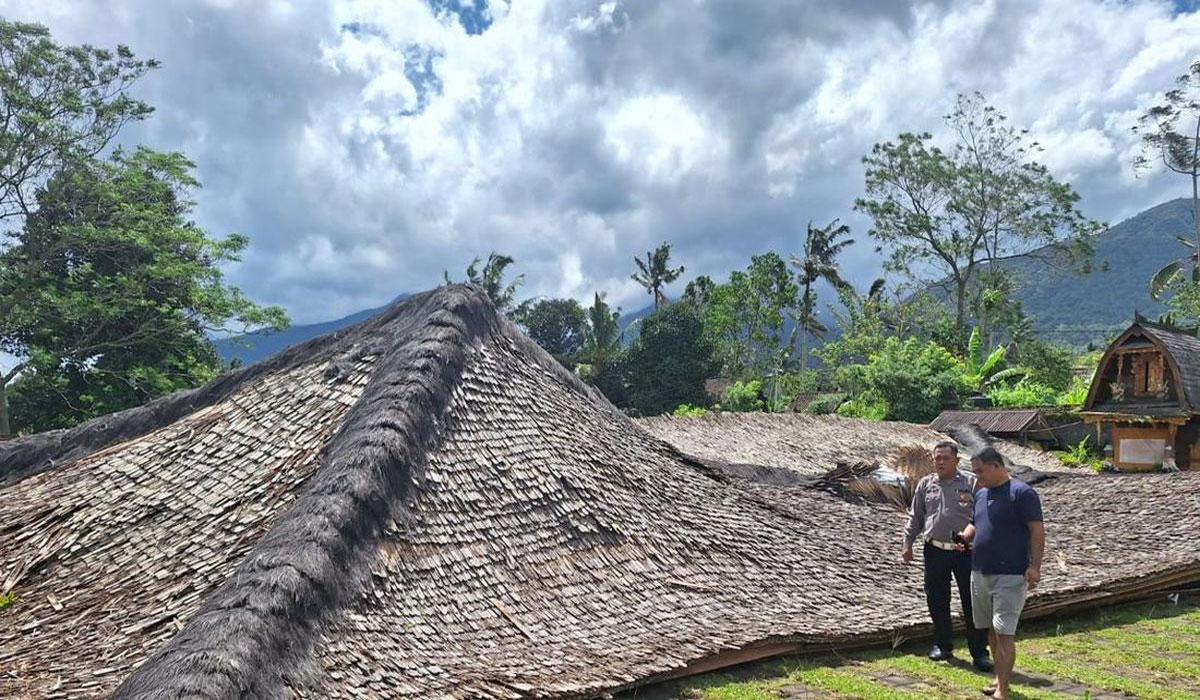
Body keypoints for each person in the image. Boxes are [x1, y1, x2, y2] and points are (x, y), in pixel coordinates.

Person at [961, 446, 1045, 700]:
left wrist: (1035, 566)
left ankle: (1003, 690)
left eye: (980, 471)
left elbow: (1037, 531)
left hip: (1010, 575)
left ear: (997, 466)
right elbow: (976, 523)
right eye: (974, 472)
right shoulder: (981, 494)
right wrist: (965, 537)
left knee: (1004, 631)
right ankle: (999, 679)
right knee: (991, 630)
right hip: (980, 572)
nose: (977, 477)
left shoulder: (1022, 493)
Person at [900, 441, 992, 671]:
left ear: (956, 461)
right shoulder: (925, 484)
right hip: (934, 550)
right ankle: (943, 645)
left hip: (965, 552)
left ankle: (980, 653)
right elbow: (916, 517)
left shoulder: (972, 483)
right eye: (937, 458)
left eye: (945, 458)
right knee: (937, 600)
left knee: (972, 601)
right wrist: (907, 543)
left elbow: (984, 516)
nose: (940, 462)